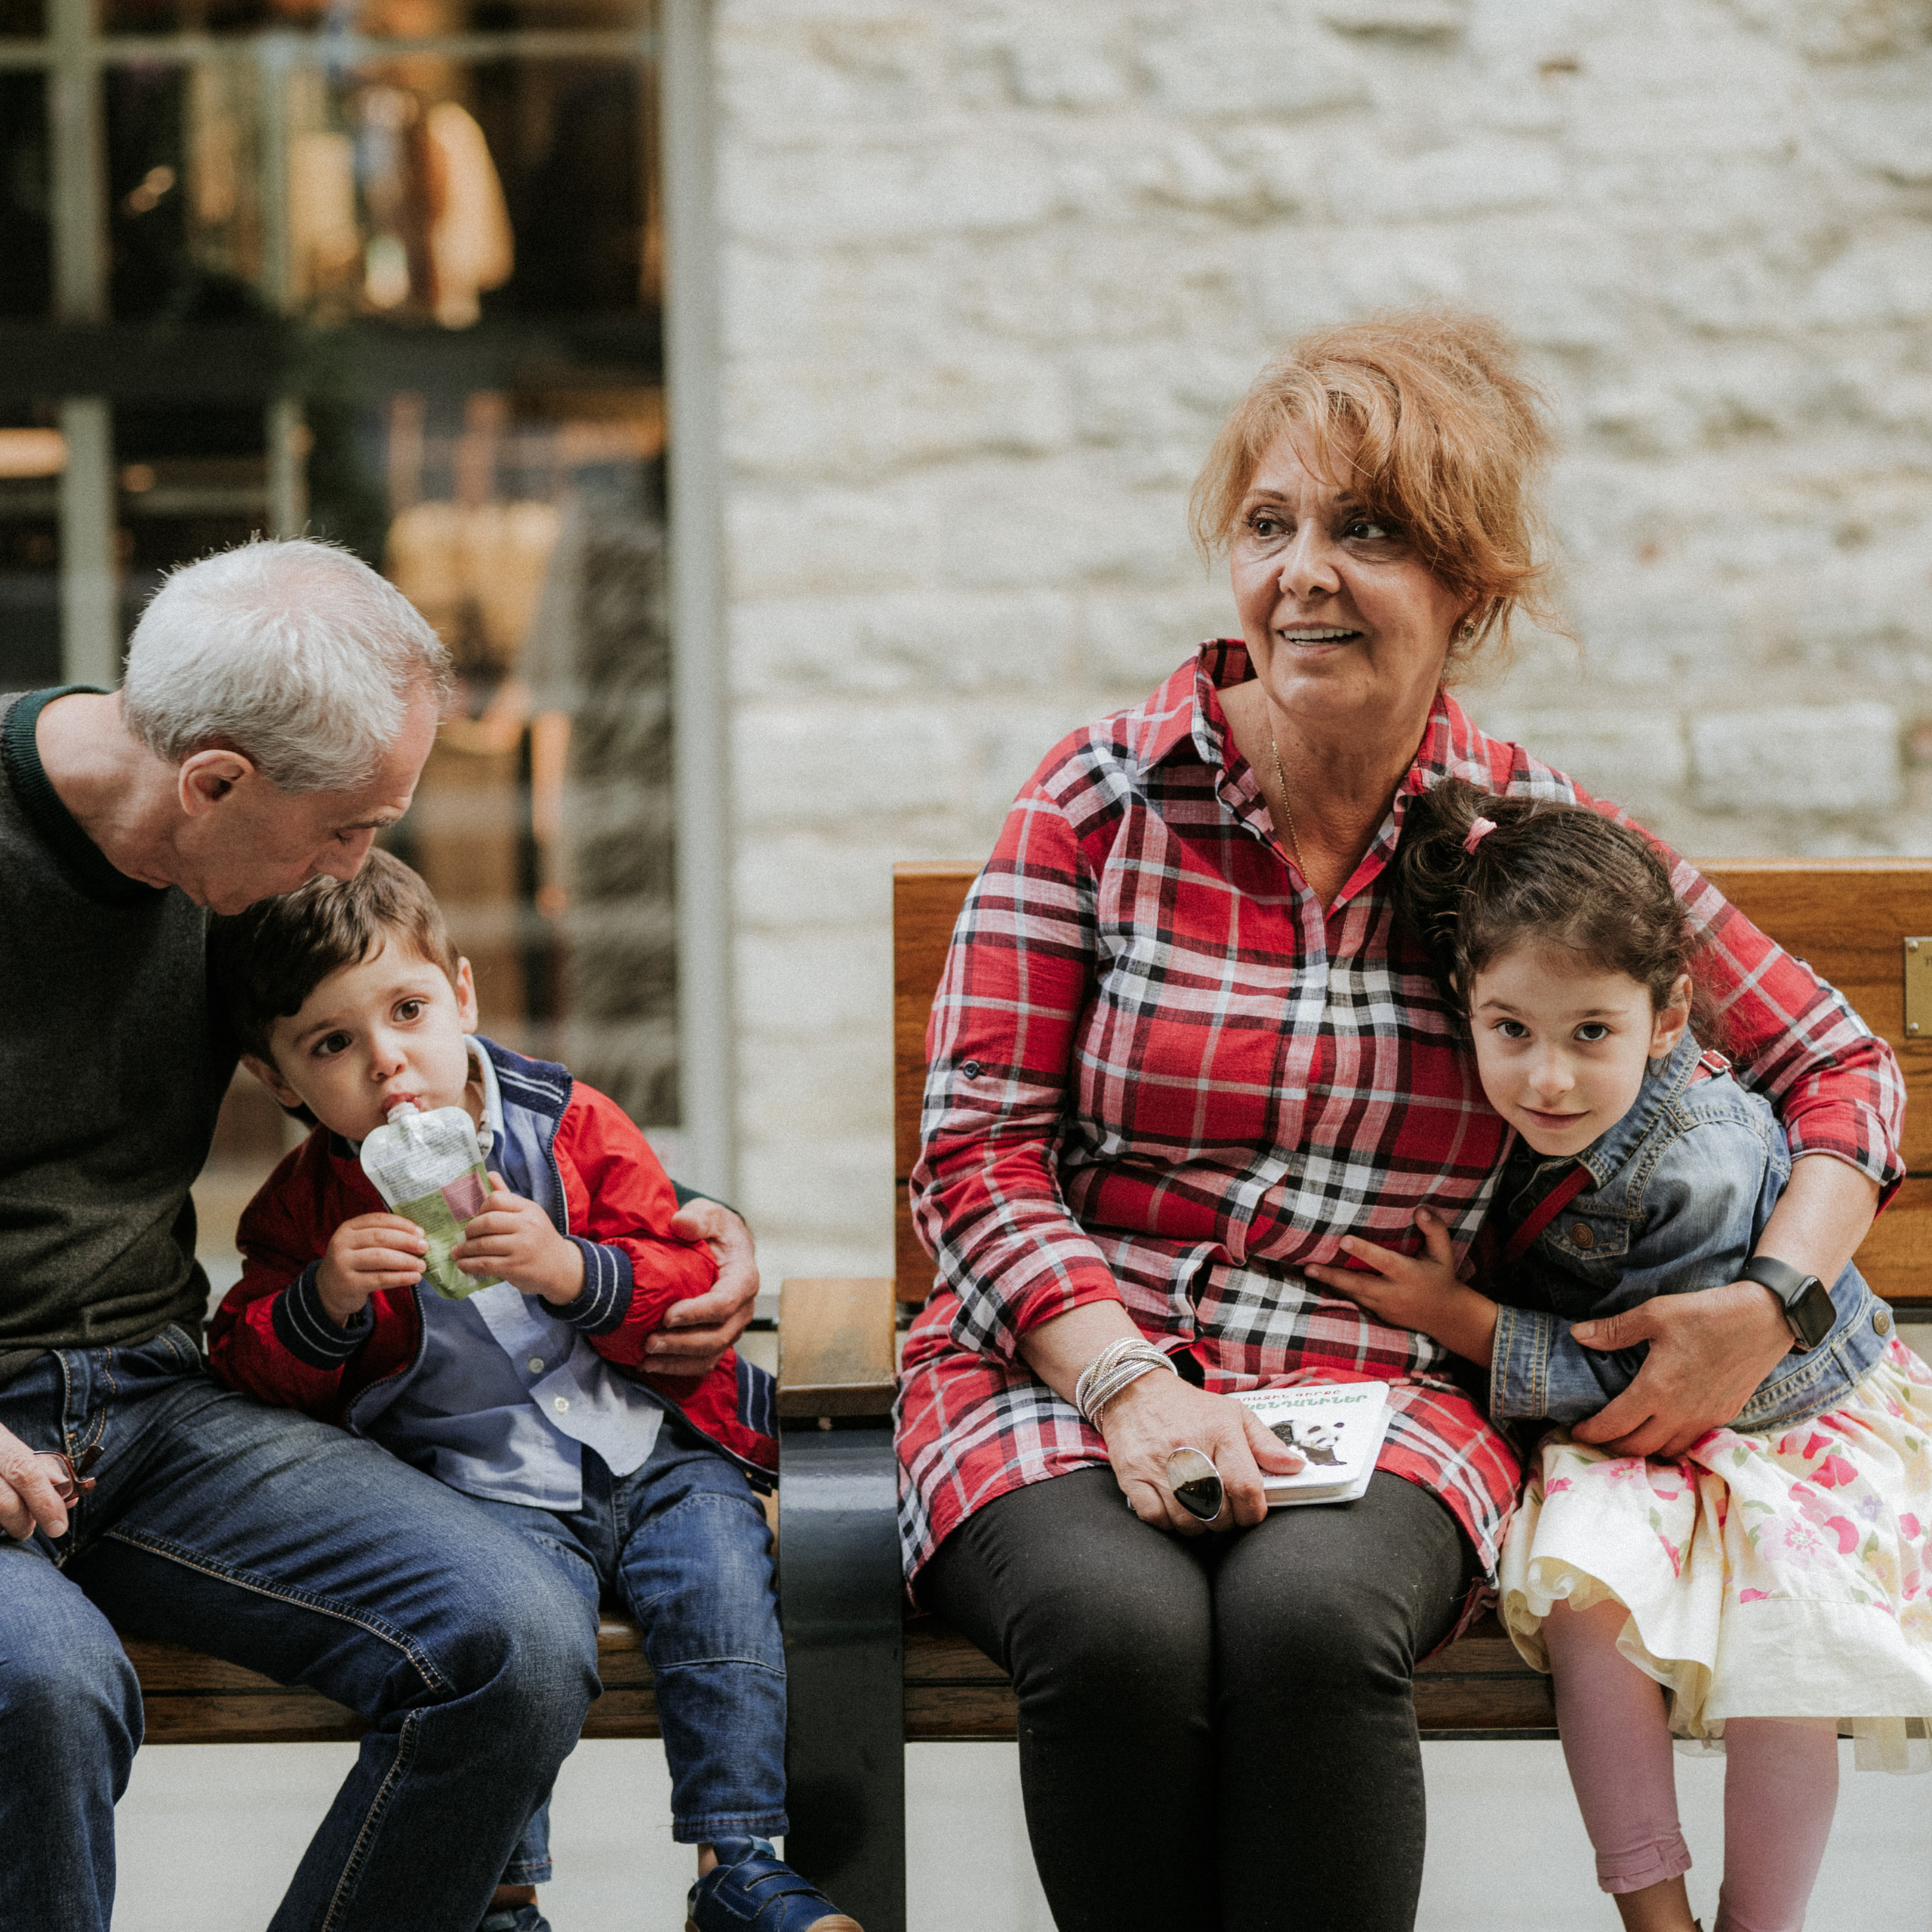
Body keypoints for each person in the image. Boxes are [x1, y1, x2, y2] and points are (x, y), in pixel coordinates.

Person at [894, 309, 1904, 1932]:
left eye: (1363, 531)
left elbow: (1843, 1065)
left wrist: (1762, 1299)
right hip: (1071, 1356)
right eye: (1268, 525)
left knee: (1307, 1626)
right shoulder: (1096, 799)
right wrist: (1131, 1384)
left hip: (1376, 1378)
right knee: (1113, 1627)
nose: (1302, 571)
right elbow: (974, 1148)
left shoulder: (1533, 840)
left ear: (1467, 587)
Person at [0, 537, 761, 1932]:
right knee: (41, 1686)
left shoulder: (237, 876)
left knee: (518, 1639)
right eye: (349, 826)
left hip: (158, 1409)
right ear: (215, 780)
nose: (361, 861)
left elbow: (429, 1066)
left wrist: (691, 1225)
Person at [1312, 777, 1932, 1932]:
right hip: (1633, 1437)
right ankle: (1654, 1913)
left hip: (1765, 1421)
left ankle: (1762, 1923)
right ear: (1472, 1006)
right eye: (1513, 1033)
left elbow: (1657, 1382)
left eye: (1591, 1034)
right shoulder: (1542, 1098)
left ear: (1668, 1014)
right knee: (1583, 1603)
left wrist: (1461, 1315)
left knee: (1783, 1648)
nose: (1547, 1078)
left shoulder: (1699, 1163)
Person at [204, 849, 862, 1932]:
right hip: (482, 1490)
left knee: (724, 1587)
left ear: (461, 995)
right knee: (516, 1639)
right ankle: (505, 1894)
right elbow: (246, 1359)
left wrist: (574, 1271)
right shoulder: (304, 1209)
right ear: (280, 1082)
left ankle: (736, 1864)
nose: (389, 1065)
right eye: (333, 1044)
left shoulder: (571, 1127)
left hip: (653, 1453)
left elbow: (687, 1284)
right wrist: (325, 1299)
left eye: (408, 1010)